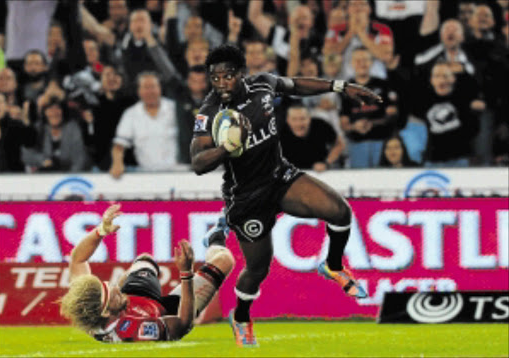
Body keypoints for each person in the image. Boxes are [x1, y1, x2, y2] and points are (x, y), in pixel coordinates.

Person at [190, 44, 381, 347]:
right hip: (246, 197)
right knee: (257, 269)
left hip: (280, 177)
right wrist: (225, 148)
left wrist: (341, 86)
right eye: (215, 79)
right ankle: (241, 317)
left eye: (227, 76)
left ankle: (332, 265)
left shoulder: (262, 84)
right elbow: (197, 162)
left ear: (241, 74)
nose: (221, 84)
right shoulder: (210, 112)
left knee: (340, 211)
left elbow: (296, 85)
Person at [60, 204, 235, 342]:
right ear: (106, 312)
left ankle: (137, 275)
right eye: (110, 294)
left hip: (138, 299)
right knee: (225, 260)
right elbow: (182, 324)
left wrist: (101, 231)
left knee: (145, 259)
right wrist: (186, 273)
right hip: (168, 312)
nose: (114, 288)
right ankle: (216, 237)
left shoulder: (91, 303)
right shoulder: (139, 330)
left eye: (108, 286)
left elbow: (77, 259)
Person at [110, 72, 179, 178]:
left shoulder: (175, 109)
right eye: (146, 87)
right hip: (146, 174)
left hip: (178, 173)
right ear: (139, 91)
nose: (150, 91)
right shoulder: (131, 114)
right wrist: (117, 163)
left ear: (160, 88)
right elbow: (119, 144)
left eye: (153, 87)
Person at [280, 104, 344, 171]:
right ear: (287, 120)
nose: (298, 123)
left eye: (302, 119)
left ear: (309, 118)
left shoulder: (321, 126)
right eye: (294, 119)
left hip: (320, 172)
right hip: (291, 173)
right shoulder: (278, 131)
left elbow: (340, 144)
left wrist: (326, 163)